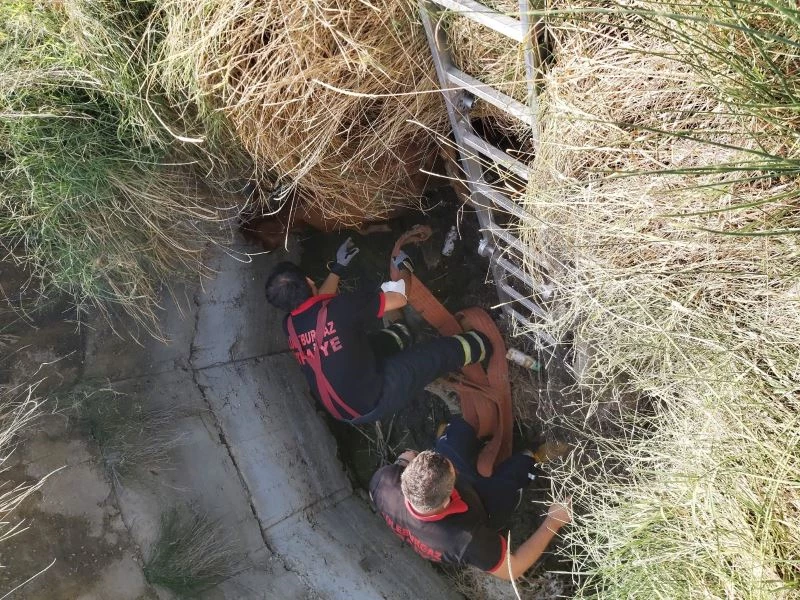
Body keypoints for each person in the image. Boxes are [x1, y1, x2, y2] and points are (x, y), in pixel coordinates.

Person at [265, 238, 492, 424]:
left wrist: (338, 268)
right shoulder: (342, 308)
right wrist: (404, 268)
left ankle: (402, 334)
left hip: (344, 404)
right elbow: (399, 297)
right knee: (438, 355)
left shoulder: (290, 325)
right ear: (308, 280)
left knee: (377, 341)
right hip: (373, 398)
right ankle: (484, 344)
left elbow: (318, 304)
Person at [369, 416, 571, 580]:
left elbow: (406, 457)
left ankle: (452, 437)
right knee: (517, 471)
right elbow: (513, 569)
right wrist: (553, 521)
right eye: (453, 472)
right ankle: (532, 456)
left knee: (460, 430)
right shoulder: (465, 540)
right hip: (482, 509)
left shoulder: (383, 483)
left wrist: (405, 458)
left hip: (440, 486)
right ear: (448, 498)